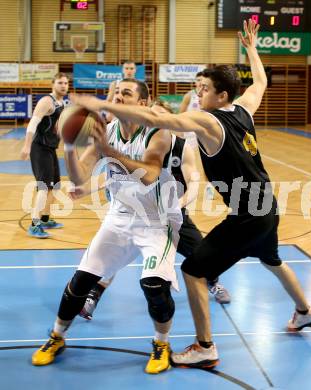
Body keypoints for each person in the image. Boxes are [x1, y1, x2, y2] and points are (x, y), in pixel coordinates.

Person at [69, 20, 311, 369]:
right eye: (197, 87)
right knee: (272, 260)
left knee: (192, 271)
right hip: (268, 208)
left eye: (203, 89)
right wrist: (251, 50)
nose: (197, 93)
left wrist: (103, 105)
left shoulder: (210, 121)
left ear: (221, 96)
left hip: (246, 216)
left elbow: (164, 121)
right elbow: (260, 82)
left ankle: (205, 347)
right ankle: (305, 311)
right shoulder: (244, 109)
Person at [31, 78, 183, 375]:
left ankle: (162, 343)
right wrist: (71, 148)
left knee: (153, 286)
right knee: (79, 283)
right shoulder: (107, 130)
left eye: (125, 93)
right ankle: (56, 336)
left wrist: (107, 151)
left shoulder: (158, 130)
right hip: (120, 216)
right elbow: (78, 179)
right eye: (115, 92)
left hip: (156, 221)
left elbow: (150, 174)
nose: (117, 97)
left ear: (142, 103)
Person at [77, 99, 231, 321]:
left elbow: (195, 183)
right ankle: (93, 295)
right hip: (136, 212)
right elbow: (111, 173)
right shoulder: (139, 144)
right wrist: (86, 188)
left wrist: (180, 204)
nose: (154, 121)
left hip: (171, 215)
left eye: (159, 116)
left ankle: (214, 283)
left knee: (201, 254)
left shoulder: (181, 147)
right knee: (113, 255)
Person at [20, 72, 69, 238]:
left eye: (66, 83)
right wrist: (26, 146)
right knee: (43, 186)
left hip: (50, 148)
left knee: (55, 185)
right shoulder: (46, 101)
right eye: (60, 83)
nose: (64, 85)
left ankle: (46, 219)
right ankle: (34, 224)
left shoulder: (61, 103)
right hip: (39, 148)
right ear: (53, 84)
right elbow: (33, 124)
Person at [178, 71, 203, 148]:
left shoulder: (208, 96)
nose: (200, 82)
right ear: (195, 82)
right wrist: (180, 131)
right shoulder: (189, 96)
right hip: (189, 131)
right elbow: (180, 115)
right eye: (198, 80)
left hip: (203, 130)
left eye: (202, 80)